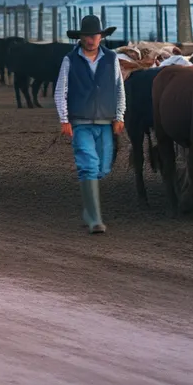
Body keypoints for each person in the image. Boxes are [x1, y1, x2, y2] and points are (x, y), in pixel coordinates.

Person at [56, 15, 126, 233]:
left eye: (94, 35)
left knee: (103, 168)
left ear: (101, 37)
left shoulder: (111, 58)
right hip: (81, 121)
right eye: (87, 36)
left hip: (105, 121)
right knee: (89, 165)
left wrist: (120, 116)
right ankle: (96, 220)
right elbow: (60, 90)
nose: (91, 39)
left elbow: (119, 88)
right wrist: (64, 119)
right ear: (81, 37)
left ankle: (89, 210)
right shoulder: (69, 60)